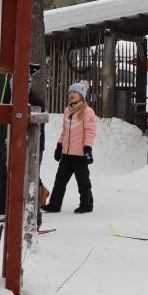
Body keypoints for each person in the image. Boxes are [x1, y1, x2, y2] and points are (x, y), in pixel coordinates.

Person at [42, 81, 96, 214]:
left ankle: (87, 204)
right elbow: (65, 131)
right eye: (70, 92)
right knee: (60, 180)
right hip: (66, 154)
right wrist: (59, 146)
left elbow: (90, 131)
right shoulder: (67, 111)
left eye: (75, 92)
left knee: (83, 181)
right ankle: (54, 204)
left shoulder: (87, 112)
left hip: (80, 154)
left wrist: (87, 148)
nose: (71, 94)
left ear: (81, 95)